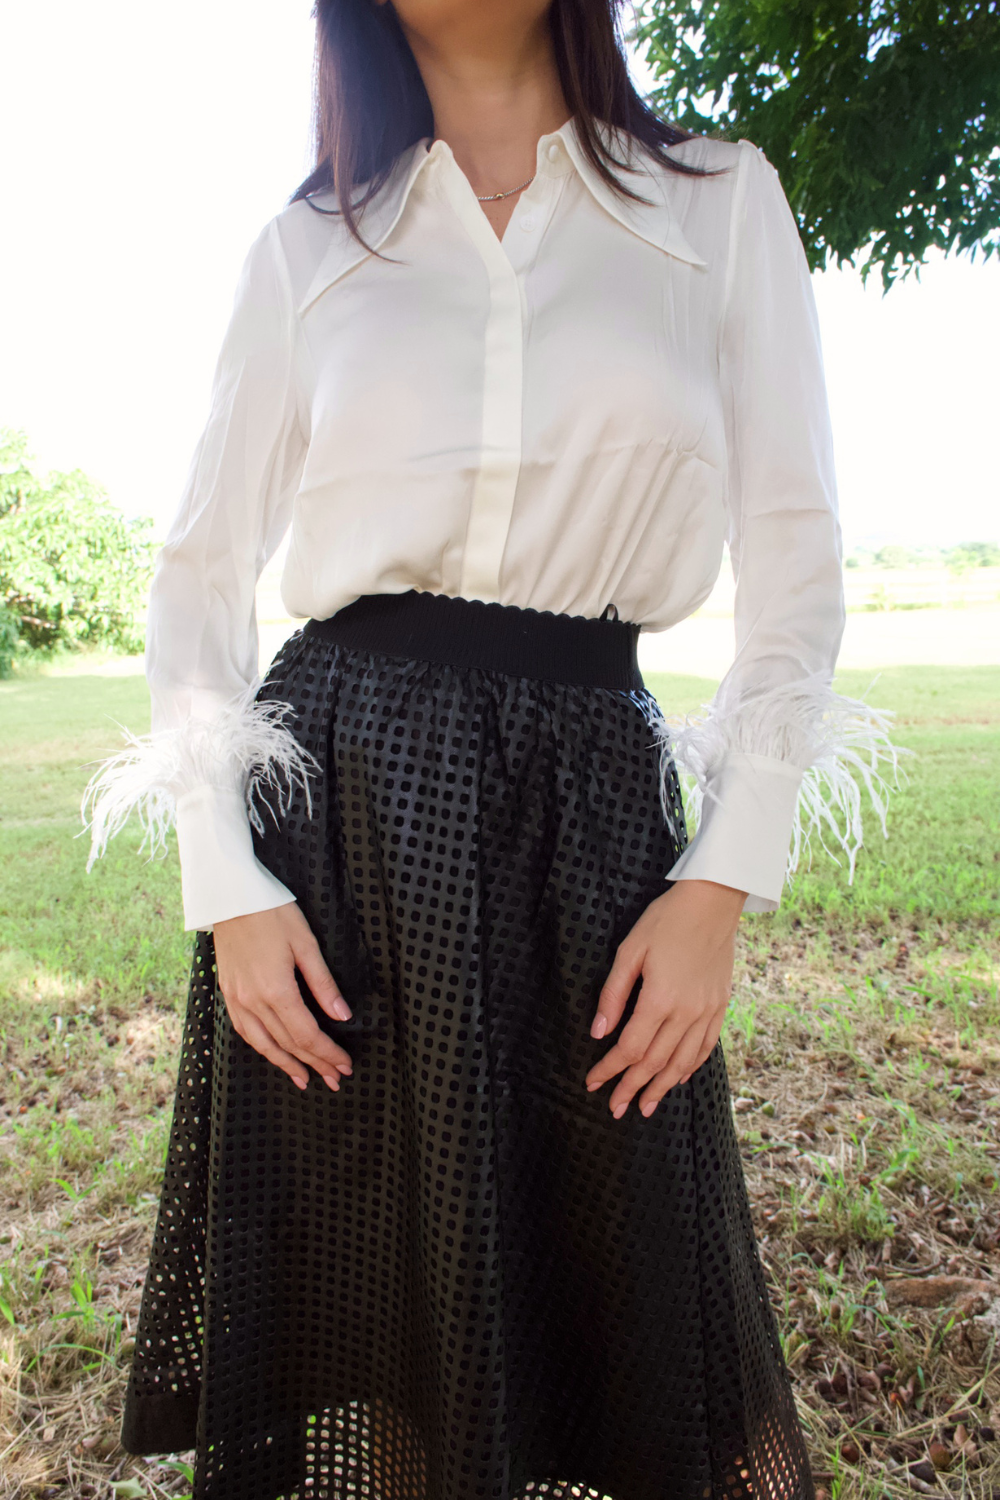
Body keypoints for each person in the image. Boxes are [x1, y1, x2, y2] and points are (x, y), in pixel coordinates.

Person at [83, 2, 898, 1497]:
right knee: (386, 1313)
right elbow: (197, 579)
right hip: (345, 835)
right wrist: (232, 889)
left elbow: (796, 561)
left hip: (590, 818)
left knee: (651, 1301)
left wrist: (724, 882)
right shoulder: (310, 247)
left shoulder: (718, 203)